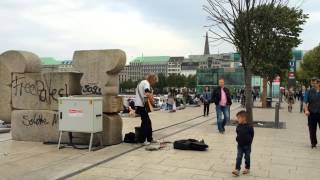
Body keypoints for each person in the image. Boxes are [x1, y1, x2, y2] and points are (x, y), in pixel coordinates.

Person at [135, 73, 158, 145]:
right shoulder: (146, 83)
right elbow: (147, 93)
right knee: (145, 122)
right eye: (155, 81)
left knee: (147, 122)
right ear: (152, 79)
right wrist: (152, 102)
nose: (154, 83)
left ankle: (149, 139)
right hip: (142, 105)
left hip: (139, 105)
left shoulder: (141, 82)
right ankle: (142, 140)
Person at [232, 111, 254, 176]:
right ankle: (237, 169)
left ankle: (247, 168)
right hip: (240, 145)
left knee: (247, 157)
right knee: (239, 157)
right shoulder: (238, 126)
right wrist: (237, 139)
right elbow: (238, 133)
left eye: (238, 118)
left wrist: (249, 141)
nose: (237, 119)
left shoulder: (250, 127)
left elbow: (252, 134)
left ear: (244, 118)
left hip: (247, 146)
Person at [304, 77, 320, 148]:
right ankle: (313, 143)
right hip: (312, 113)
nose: (314, 84)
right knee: (312, 129)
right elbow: (305, 102)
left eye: (315, 83)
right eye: (312, 83)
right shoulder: (308, 92)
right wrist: (306, 110)